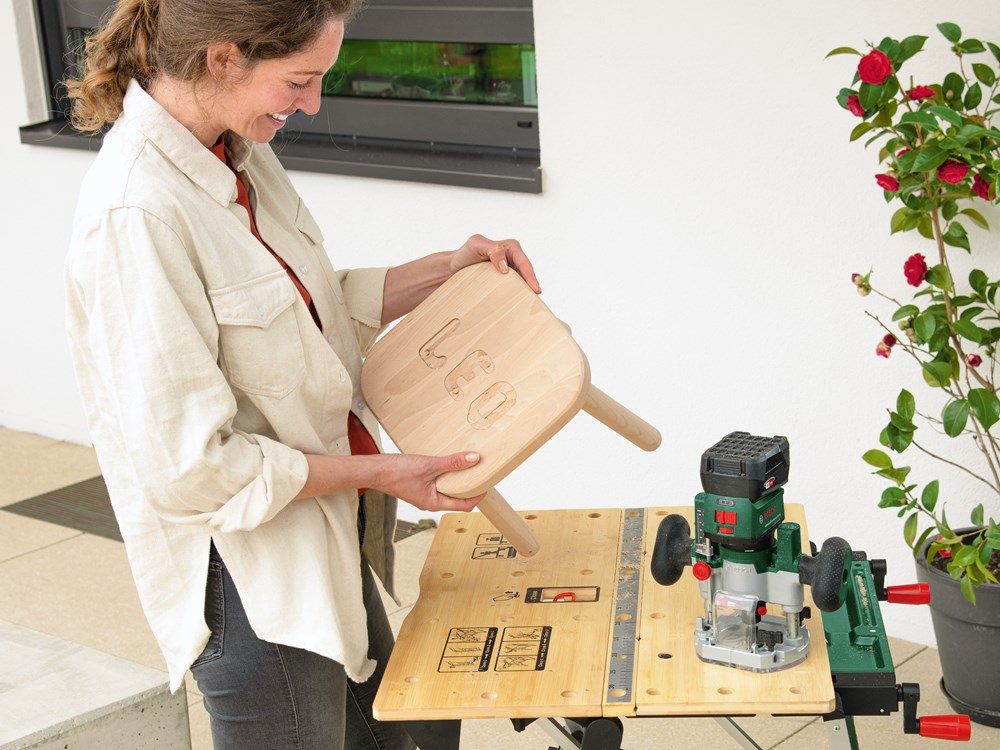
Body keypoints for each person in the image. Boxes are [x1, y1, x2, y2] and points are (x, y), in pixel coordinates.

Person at [63, 1, 540, 748]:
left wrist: (447, 270)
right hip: (252, 580)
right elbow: (194, 469)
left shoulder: (237, 149)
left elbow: (308, 309)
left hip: (321, 535)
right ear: (224, 57)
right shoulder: (136, 214)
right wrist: (385, 473)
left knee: (405, 733)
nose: (313, 103)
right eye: (299, 80)